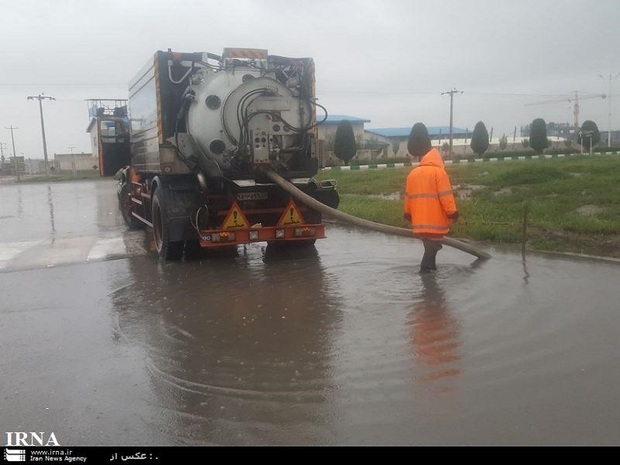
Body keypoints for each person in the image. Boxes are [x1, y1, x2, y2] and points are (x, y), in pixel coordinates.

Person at [403, 123, 459, 272]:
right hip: (436, 222)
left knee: (429, 247)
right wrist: (453, 213)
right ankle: (427, 279)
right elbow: (446, 197)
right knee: (432, 248)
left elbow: (408, 198)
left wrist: (408, 214)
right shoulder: (439, 173)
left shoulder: (412, 174)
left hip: (420, 222)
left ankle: (430, 276)